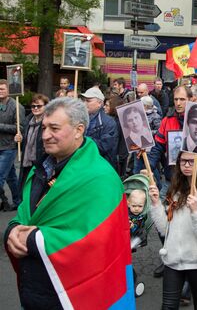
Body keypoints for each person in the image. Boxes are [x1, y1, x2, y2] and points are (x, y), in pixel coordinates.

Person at [4, 97, 130, 309]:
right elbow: (26, 214)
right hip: (35, 285)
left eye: (54, 128)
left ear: (79, 130)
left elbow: (97, 241)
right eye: (44, 127)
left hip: (73, 296)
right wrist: (12, 230)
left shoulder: (101, 177)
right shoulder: (38, 168)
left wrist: (34, 238)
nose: (45, 135)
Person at [149, 151, 197, 310]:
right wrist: (155, 204)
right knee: (167, 307)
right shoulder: (175, 188)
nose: (187, 166)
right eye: (183, 162)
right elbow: (164, 229)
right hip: (173, 258)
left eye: (191, 162)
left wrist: (195, 212)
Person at [14, 94, 50, 208]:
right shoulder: (27, 121)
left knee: (37, 191)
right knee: (24, 188)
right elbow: (25, 142)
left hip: (41, 162)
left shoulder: (48, 122)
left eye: (39, 106)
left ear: (46, 106)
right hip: (27, 161)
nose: (35, 108)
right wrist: (18, 140)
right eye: (33, 106)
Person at [0, 79, 25, 211]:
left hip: (9, 147)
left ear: (8, 91)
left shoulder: (17, 107)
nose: (0, 91)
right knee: (11, 177)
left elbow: (20, 127)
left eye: (3, 89)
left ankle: (4, 201)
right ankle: (17, 201)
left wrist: (1, 126)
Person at [81, 86, 119, 169]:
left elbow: (104, 146)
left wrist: (82, 139)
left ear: (99, 103)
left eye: (88, 101)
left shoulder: (109, 123)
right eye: (84, 100)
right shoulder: (79, 118)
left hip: (100, 166)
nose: (84, 103)